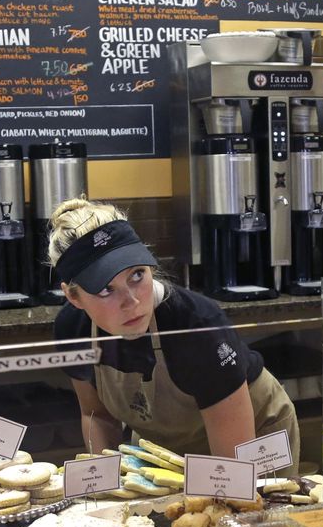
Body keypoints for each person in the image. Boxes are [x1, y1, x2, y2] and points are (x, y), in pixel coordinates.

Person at [48, 198, 299, 468]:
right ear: (73, 297)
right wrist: (105, 489)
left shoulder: (197, 326)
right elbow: (97, 415)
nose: (131, 301)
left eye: (136, 275)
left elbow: (232, 470)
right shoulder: (73, 329)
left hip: (251, 437)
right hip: (165, 449)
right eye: (106, 289)